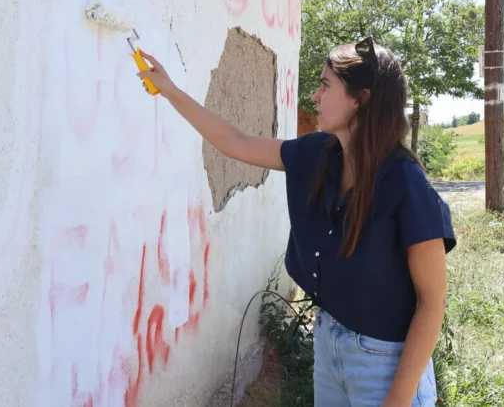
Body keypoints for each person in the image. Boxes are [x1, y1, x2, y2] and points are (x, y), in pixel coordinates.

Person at [136, 37, 455, 406]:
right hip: (329, 340)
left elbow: (432, 301)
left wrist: (398, 400)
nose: (314, 97)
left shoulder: (406, 184)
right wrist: (171, 91)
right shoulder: (318, 155)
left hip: (386, 362)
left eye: (325, 85)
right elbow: (235, 142)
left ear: (361, 99)